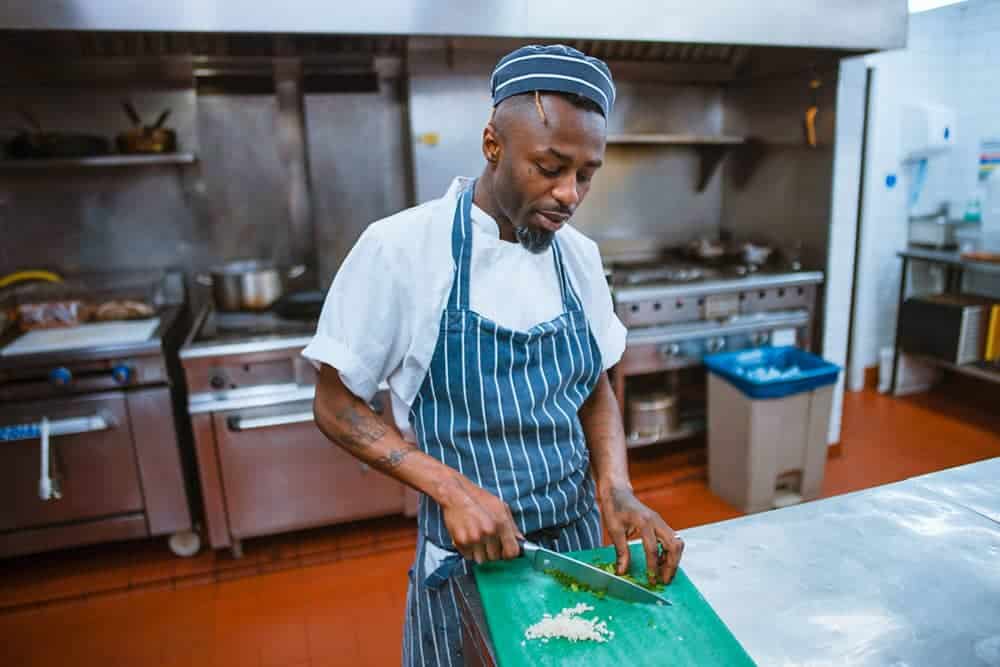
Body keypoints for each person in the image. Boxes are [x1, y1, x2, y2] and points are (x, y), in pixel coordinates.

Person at [304, 43, 684, 666]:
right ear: (492, 144)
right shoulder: (402, 250)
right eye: (550, 167)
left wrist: (615, 486)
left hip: (580, 552)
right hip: (468, 563)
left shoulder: (579, 258)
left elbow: (593, 387)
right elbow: (335, 404)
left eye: (586, 174)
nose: (569, 194)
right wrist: (449, 488)